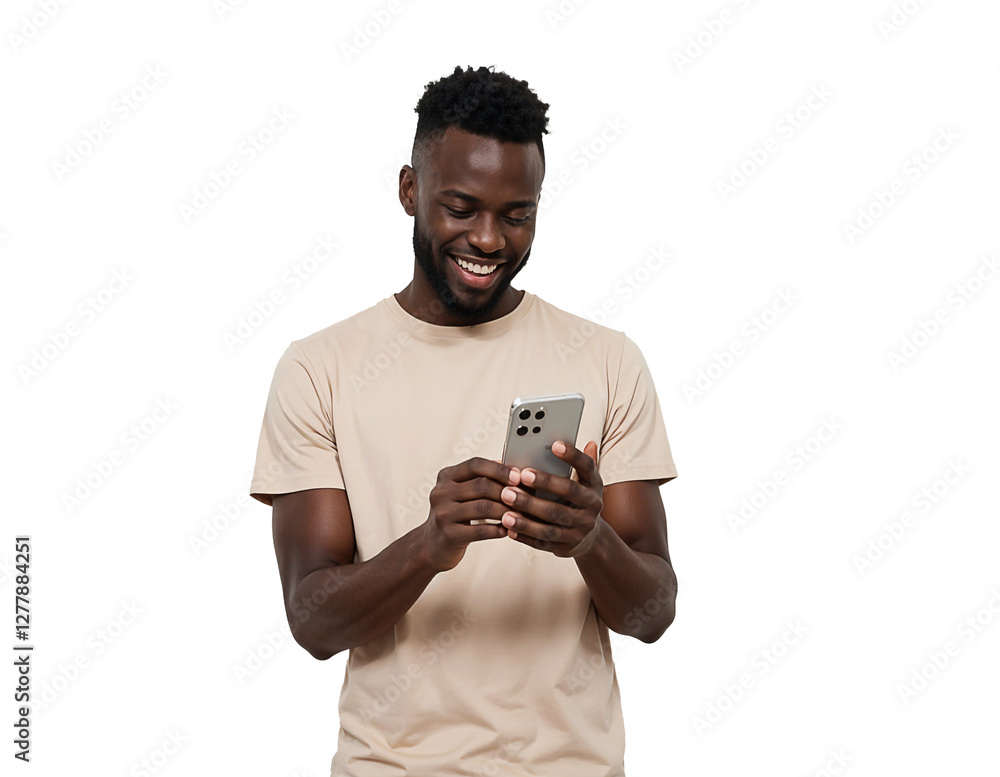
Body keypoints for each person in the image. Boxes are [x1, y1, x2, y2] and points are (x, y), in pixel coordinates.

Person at [249, 64, 679, 777]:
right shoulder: (319, 368)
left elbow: (653, 614)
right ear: (409, 191)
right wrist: (429, 544)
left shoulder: (608, 360)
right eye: (461, 207)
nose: (489, 239)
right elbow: (313, 621)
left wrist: (589, 537)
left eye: (517, 214)